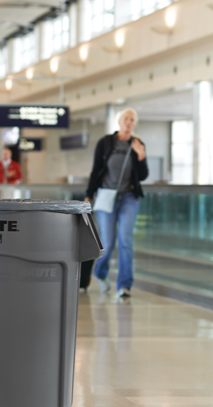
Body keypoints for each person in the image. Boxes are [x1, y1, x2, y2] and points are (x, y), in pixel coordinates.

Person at [85, 108, 148, 298]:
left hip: (128, 197)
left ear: (135, 124)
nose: (129, 123)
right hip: (106, 197)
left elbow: (143, 175)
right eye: (126, 119)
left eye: (132, 120)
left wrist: (141, 155)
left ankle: (124, 285)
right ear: (119, 122)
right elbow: (96, 170)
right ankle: (101, 273)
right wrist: (89, 194)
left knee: (125, 241)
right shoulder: (105, 143)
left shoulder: (138, 144)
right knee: (108, 242)